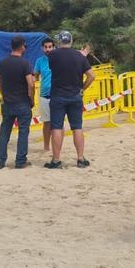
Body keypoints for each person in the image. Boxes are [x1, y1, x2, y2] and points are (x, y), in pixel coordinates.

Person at [45, 30, 95, 169]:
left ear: (59, 41)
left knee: (56, 128)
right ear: (71, 41)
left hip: (58, 95)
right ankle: (80, 158)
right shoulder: (79, 57)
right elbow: (92, 76)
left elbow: (51, 67)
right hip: (75, 96)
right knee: (77, 128)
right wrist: (82, 88)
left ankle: (56, 160)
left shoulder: (53, 55)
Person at [0, 35, 35, 169]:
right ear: (22, 46)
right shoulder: (25, 63)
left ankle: (0, 161)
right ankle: (20, 160)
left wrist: (4, 94)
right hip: (22, 102)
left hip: (7, 102)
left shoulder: (2, 63)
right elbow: (31, 83)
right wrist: (31, 98)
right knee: (23, 132)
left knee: (5, 131)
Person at [33, 37, 55, 152]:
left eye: (50, 47)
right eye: (45, 47)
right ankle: (46, 146)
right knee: (47, 122)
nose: (48, 49)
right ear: (42, 48)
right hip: (44, 95)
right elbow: (35, 76)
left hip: (57, 94)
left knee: (57, 122)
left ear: (54, 47)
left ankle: (56, 146)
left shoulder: (59, 58)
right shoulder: (40, 61)